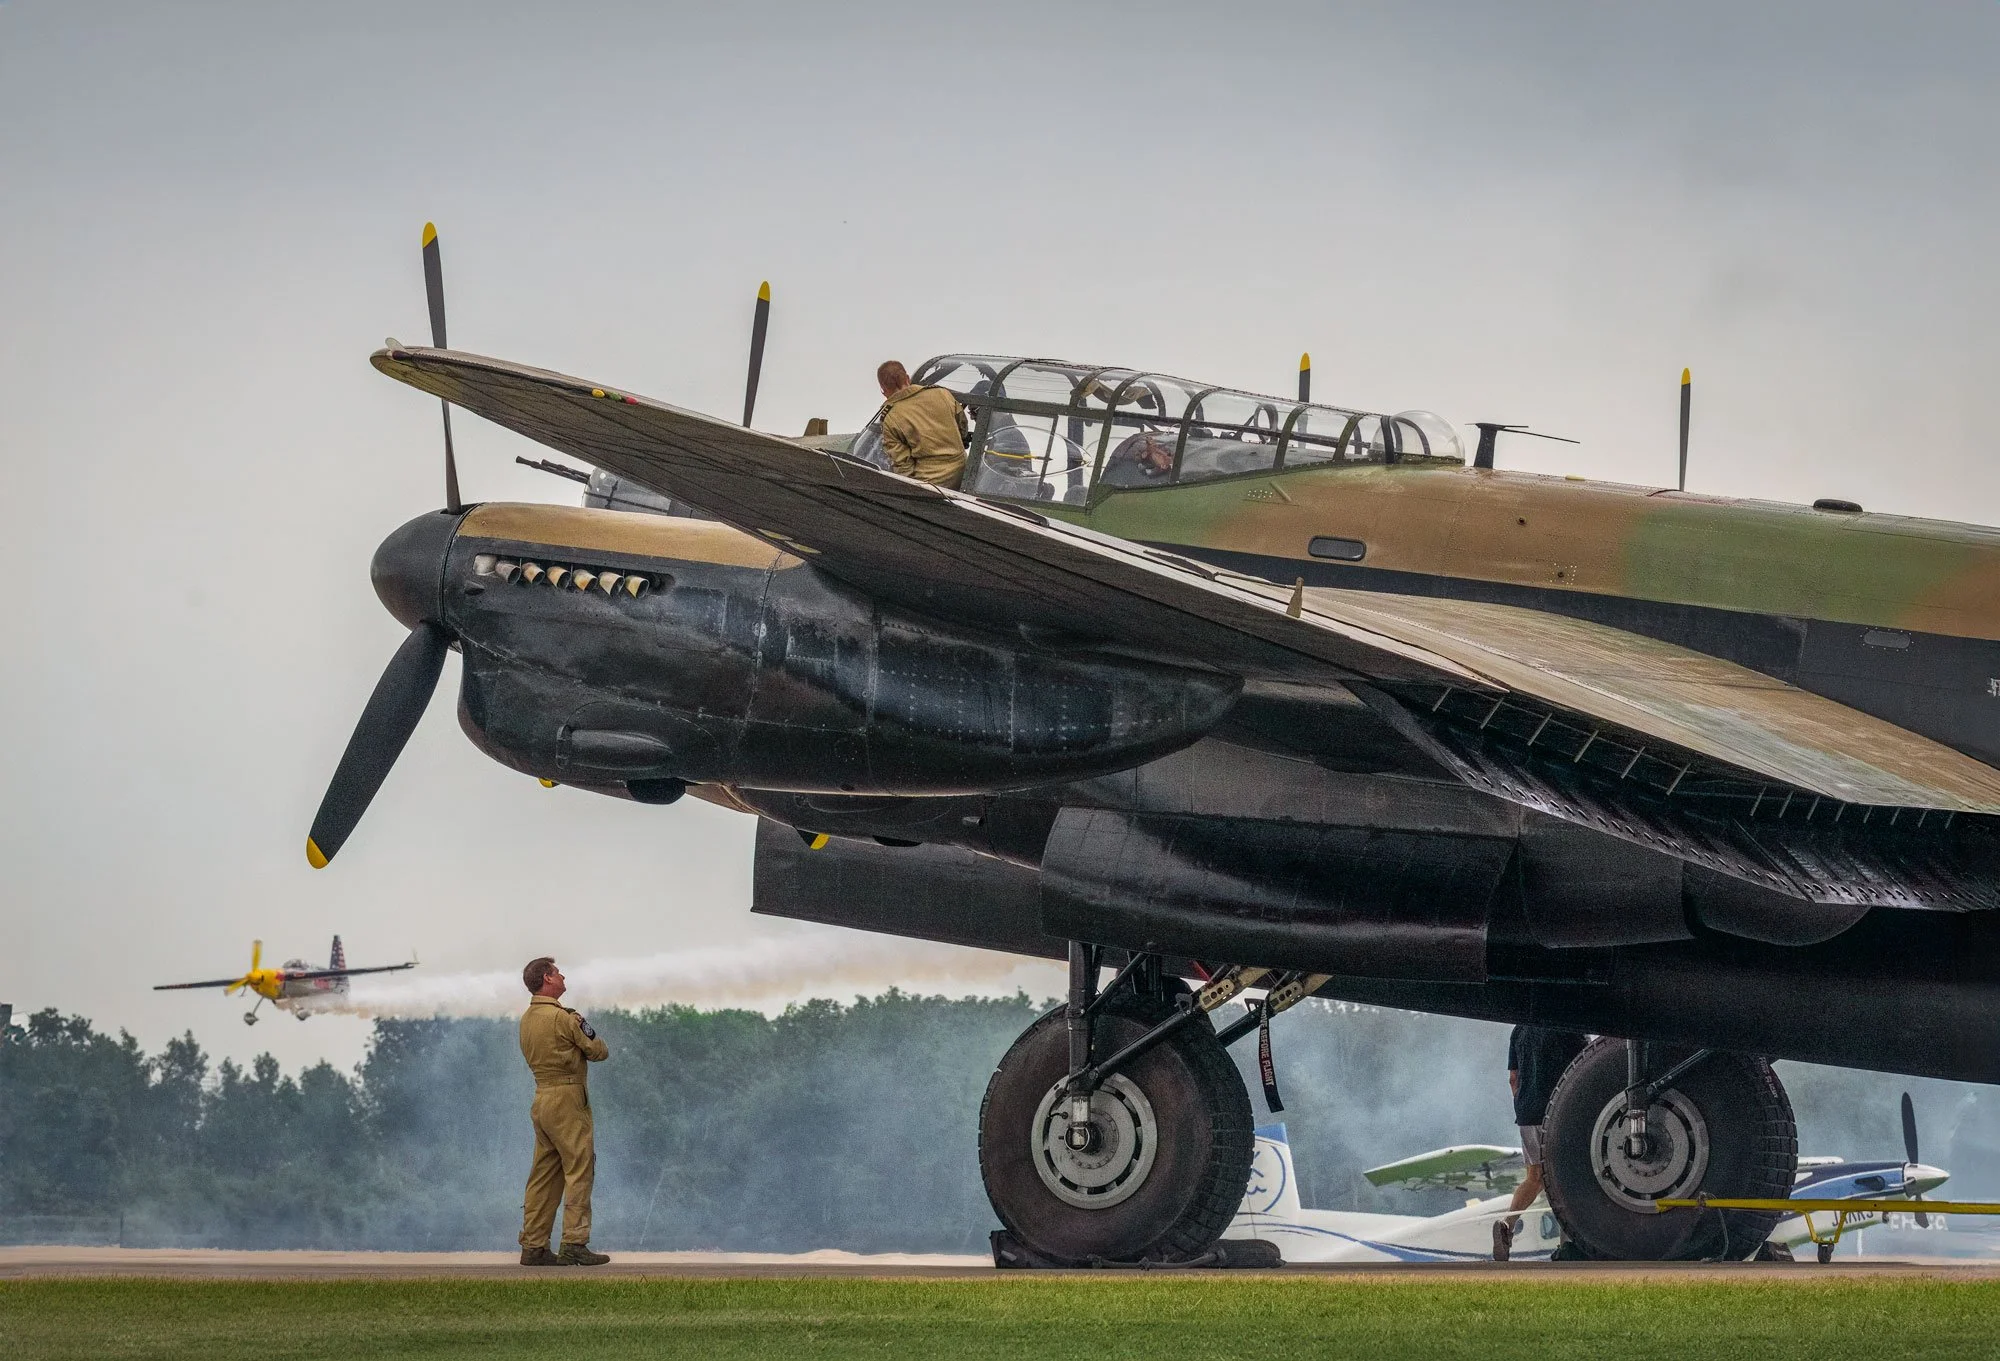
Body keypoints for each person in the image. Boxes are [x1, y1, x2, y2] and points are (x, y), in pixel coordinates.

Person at [518, 956, 611, 1266]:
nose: (562, 976)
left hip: (541, 1097)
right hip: (568, 1098)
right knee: (579, 1169)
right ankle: (574, 1242)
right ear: (547, 979)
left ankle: (533, 1246)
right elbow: (599, 1051)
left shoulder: (527, 1019)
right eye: (557, 972)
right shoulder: (564, 1018)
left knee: (543, 1175)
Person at [1493, 1023, 1589, 1261]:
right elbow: (1586, 1066)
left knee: (1534, 1178)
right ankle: (1569, 1244)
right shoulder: (1567, 1026)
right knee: (1566, 1178)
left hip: (1527, 1112)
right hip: (1558, 1111)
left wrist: (1523, 1104)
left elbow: (1513, 1078)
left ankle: (1507, 1224)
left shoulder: (1519, 1030)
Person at [874, 360, 968, 488]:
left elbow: (902, 465)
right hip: (963, 475)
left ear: (883, 389)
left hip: (931, 485)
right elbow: (962, 427)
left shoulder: (890, 417)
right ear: (907, 378)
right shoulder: (941, 393)